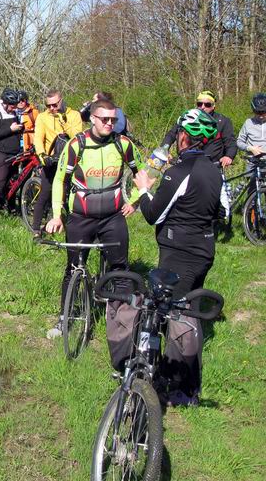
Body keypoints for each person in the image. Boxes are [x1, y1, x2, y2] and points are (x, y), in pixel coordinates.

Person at [133, 109, 223, 407]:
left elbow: (152, 213)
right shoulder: (214, 169)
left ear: (183, 137)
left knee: (177, 318)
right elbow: (222, 212)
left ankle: (180, 389)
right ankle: (181, 384)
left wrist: (145, 189)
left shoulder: (178, 172)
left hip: (179, 253)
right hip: (204, 249)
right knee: (191, 312)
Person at [44, 98, 143, 339]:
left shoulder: (123, 144)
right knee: (74, 267)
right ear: (93, 119)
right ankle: (64, 319)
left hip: (113, 216)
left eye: (113, 119)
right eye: (105, 119)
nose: (110, 123)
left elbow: (142, 174)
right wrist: (57, 216)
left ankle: (123, 325)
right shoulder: (77, 145)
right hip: (81, 217)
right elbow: (60, 180)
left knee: (120, 269)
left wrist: (135, 200)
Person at [31, 89, 83, 236]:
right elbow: (38, 138)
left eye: (54, 105)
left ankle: (74, 228)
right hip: (51, 161)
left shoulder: (74, 115)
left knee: (72, 194)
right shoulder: (42, 117)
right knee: (46, 192)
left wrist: (63, 121)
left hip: (71, 160)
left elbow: (78, 137)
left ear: (61, 101)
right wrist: (42, 155)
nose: (52, 109)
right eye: (48, 106)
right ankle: (36, 230)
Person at [161, 90, 236, 168]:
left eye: (207, 104)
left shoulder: (223, 121)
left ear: (214, 106)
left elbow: (230, 142)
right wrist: (164, 149)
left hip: (212, 165)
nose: (202, 107)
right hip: (188, 163)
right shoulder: (188, 117)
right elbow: (172, 134)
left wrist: (228, 156)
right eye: (199, 104)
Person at [0, 88, 24, 221]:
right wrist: (10, 129)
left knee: (13, 183)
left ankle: (11, 209)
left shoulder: (13, 113)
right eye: (12, 105)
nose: (14, 108)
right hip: (0, 153)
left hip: (14, 153)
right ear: (5, 103)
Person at [236, 93, 266, 170]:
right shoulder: (248, 122)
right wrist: (250, 148)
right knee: (250, 181)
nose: (261, 116)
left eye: (264, 112)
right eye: (258, 113)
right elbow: (239, 142)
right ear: (253, 110)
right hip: (252, 161)